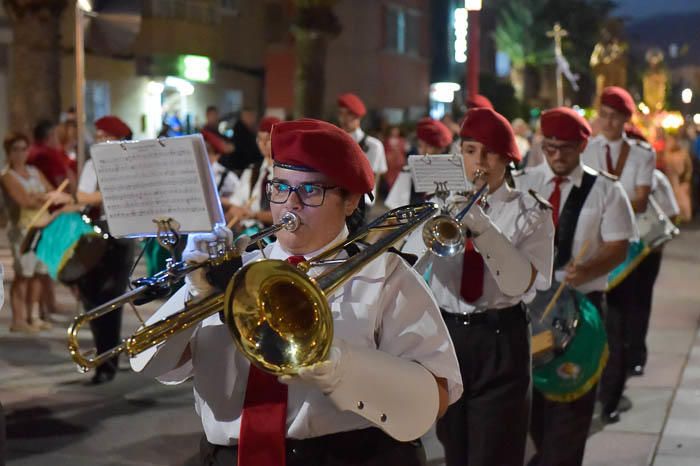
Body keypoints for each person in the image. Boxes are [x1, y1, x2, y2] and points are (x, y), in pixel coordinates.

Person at [131, 118, 462, 466]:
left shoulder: (385, 273)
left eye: (310, 190)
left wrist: (346, 368)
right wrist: (192, 296)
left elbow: (435, 398)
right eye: (280, 187)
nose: (290, 204)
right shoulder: (233, 269)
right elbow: (153, 362)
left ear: (349, 201)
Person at [407, 108, 554, 465]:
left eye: (489, 152)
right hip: (448, 337)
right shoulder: (436, 206)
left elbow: (521, 283)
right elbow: (410, 267)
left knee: (495, 453)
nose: (479, 162)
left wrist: (482, 225)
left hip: (500, 337)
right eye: (470, 150)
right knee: (454, 448)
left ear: (507, 158)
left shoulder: (531, 211)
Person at [513, 107, 636, 466]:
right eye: (549, 147)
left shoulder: (607, 191)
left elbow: (619, 247)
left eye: (565, 148)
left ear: (583, 146)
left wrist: (587, 269)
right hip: (532, 309)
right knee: (535, 404)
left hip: (583, 306)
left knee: (573, 402)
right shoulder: (523, 182)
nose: (556, 156)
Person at [581, 86, 656, 422]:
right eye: (604, 115)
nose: (608, 122)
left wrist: (604, 203)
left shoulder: (642, 154)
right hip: (592, 247)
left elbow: (641, 199)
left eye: (615, 116)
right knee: (594, 318)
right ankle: (594, 382)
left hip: (629, 249)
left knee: (622, 321)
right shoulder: (588, 150)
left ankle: (611, 395)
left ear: (627, 119)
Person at [76, 115, 136, 385]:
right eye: (98, 136)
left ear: (120, 140)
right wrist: (110, 194)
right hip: (94, 234)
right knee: (91, 298)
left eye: (105, 136)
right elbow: (82, 196)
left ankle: (108, 361)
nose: (100, 141)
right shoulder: (92, 163)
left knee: (112, 299)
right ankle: (102, 354)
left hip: (121, 235)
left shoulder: (130, 164)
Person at [1, 132, 71, 333]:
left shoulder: (34, 171)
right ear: (9, 152)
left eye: (24, 149)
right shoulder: (7, 176)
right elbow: (24, 200)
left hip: (42, 226)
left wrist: (47, 196)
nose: (21, 153)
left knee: (40, 274)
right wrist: (45, 197)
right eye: (16, 149)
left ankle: (34, 316)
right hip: (22, 229)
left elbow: (54, 193)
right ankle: (19, 319)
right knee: (23, 274)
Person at [385, 117, 453, 210]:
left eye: (429, 146)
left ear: (441, 149)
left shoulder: (452, 174)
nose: (424, 151)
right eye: (420, 146)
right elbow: (395, 208)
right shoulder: (408, 172)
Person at [229, 116, 280, 231]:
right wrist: (236, 211)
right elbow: (235, 203)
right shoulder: (252, 170)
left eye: (267, 139)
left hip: (272, 237)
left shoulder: (285, 174)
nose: (262, 143)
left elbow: (284, 215)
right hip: (249, 233)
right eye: (259, 139)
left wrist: (254, 215)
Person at [337, 93, 388, 205]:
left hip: (362, 202)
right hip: (338, 200)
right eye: (341, 113)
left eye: (349, 114)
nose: (344, 118)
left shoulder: (374, 145)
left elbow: (374, 177)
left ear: (358, 116)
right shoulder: (335, 142)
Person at [27, 119, 77, 190]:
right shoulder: (49, 155)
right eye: (56, 134)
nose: (58, 138)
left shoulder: (31, 150)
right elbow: (62, 184)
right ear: (51, 135)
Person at [221, 108, 263, 172]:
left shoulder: (249, 130)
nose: (253, 119)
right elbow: (247, 150)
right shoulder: (240, 131)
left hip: (244, 166)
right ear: (244, 117)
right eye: (251, 116)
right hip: (241, 167)